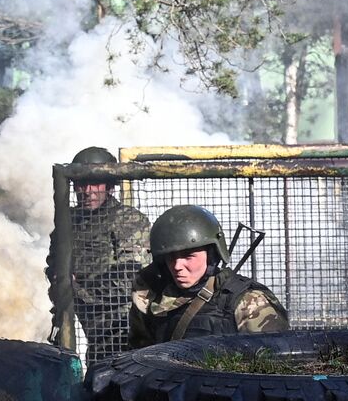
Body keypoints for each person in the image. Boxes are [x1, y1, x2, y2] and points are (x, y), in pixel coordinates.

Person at [129, 205, 289, 348]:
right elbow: (138, 355)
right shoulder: (151, 294)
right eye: (171, 257)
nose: (177, 266)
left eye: (188, 256)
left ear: (212, 255)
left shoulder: (248, 302)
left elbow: (276, 368)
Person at [61, 146, 151, 364]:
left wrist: (76, 290)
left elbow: (131, 279)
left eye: (95, 183)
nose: (88, 191)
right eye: (82, 184)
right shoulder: (69, 220)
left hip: (124, 331)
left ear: (109, 186)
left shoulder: (128, 221)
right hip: (93, 333)